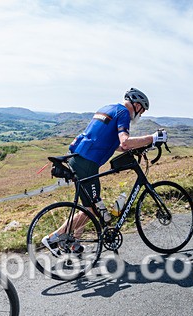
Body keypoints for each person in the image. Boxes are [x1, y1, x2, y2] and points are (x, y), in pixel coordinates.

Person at [41, 88, 167, 254]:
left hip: (77, 157)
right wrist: (153, 138)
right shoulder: (123, 113)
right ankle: (53, 238)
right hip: (87, 163)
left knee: (87, 207)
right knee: (91, 211)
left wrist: (140, 146)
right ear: (136, 105)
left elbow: (118, 145)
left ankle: (74, 244)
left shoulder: (108, 108)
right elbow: (126, 142)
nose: (141, 115)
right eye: (142, 111)